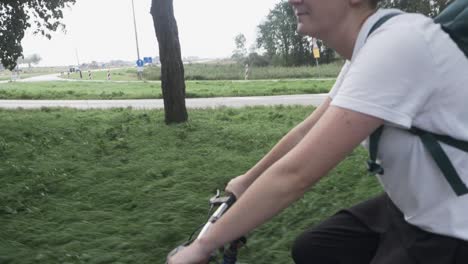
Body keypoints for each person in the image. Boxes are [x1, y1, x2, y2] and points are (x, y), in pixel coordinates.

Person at [168, 0, 468, 263]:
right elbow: (306, 131)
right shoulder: (370, 46)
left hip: (452, 226)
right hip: (413, 205)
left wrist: (203, 245)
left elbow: (297, 174)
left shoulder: (399, 44)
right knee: (314, 249)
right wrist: (247, 181)